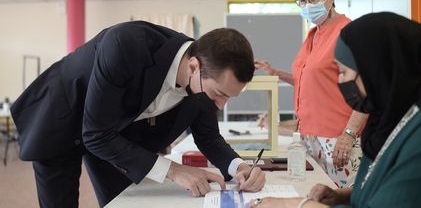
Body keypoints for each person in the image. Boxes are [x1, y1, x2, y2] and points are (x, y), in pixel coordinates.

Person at [10, 21, 266, 208]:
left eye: (229, 97)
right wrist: (175, 170)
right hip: (62, 122)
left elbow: (208, 136)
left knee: (127, 202)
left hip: (113, 135)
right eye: (219, 94)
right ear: (193, 66)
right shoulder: (127, 44)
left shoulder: (204, 75)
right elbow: (95, 134)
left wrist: (239, 166)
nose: (220, 105)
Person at [248, 12, 421, 207]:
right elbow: (383, 187)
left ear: (375, 69)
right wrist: (344, 196)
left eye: (343, 72)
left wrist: (293, 205)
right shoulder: (391, 118)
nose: (340, 81)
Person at [255, 0, 368, 187]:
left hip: (338, 140)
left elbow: (368, 89)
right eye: (302, 1)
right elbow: (311, 82)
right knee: (320, 196)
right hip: (309, 138)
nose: (308, 5)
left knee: (345, 198)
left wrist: (348, 135)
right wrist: (276, 73)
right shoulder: (313, 35)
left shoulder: (348, 32)